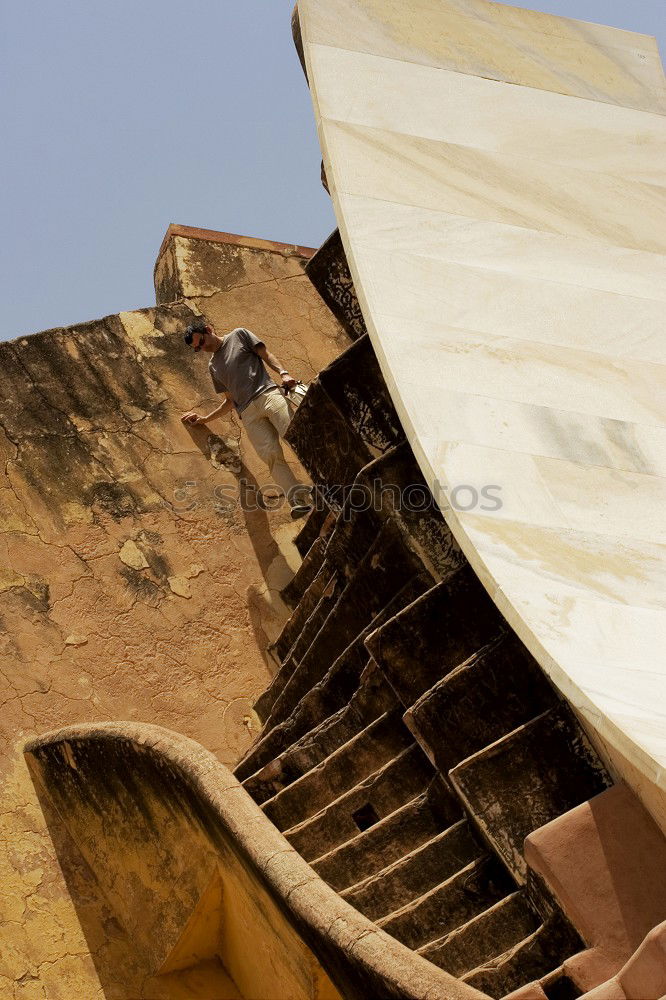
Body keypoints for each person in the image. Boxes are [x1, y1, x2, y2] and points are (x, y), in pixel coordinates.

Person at [180, 318, 312, 519]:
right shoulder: (213, 366)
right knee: (271, 456)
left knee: (296, 437)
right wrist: (204, 419)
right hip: (248, 414)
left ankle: (328, 482)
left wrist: (284, 373)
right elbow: (229, 401)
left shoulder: (239, 335)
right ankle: (298, 501)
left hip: (268, 395)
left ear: (208, 329)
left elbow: (265, 353)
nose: (203, 348)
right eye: (197, 348)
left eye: (202, 341)